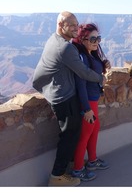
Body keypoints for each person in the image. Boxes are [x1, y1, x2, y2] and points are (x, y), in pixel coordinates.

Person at [32, 11, 106, 187]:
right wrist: (100, 78)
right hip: (63, 97)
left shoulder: (54, 40)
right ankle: (57, 176)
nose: (76, 28)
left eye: (77, 24)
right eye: (72, 25)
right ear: (60, 25)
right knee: (70, 136)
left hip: (57, 92)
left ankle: (72, 167)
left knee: (72, 134)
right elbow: (83, 72)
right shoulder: (65, 47)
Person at [71, 23, 111, 181]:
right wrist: (86, 108)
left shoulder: (92, 54)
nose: (96, 41)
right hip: (88, 101)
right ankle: (77, 170)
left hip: (94, 98)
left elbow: (96, 71)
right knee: (85, 134)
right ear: (82, 39)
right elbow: (80, 84)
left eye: (98, 38)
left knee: (94, 130)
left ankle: (92, 161)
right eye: (92, 38)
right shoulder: (82, 58)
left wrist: (104, 64)